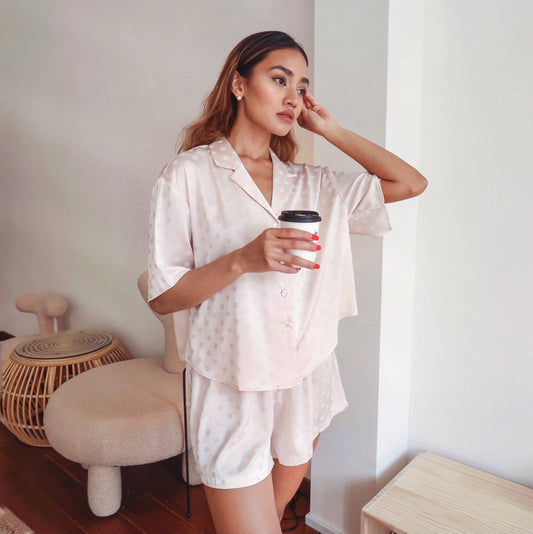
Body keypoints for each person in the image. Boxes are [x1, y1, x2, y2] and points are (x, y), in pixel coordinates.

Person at [147, 31, 427, 534]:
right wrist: (242, 259)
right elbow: (164, 298)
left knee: (271, 521)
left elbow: (410, 183)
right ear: (238, 84)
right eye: (279, 80)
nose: (292, 97)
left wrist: (332, 131)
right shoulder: (187, 175)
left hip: (305, 377)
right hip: (232, 384)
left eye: (301, 87)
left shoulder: (313, 183)